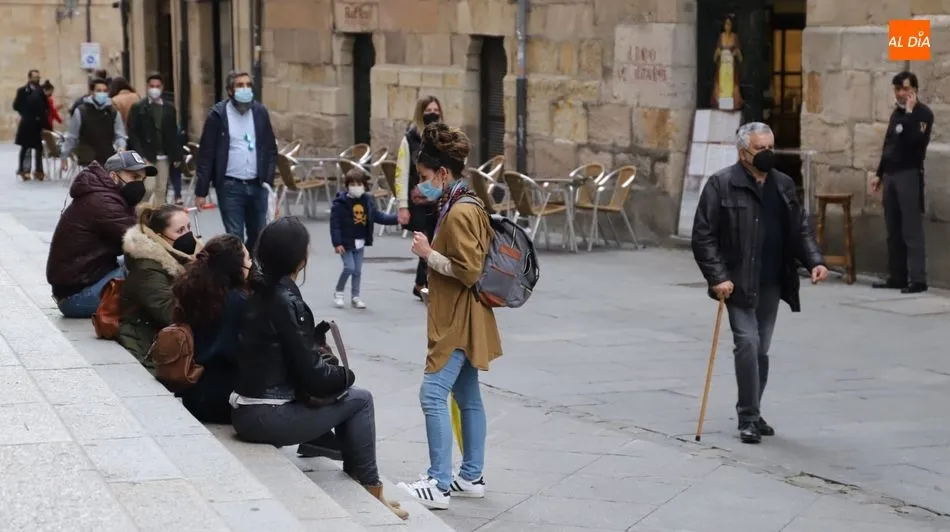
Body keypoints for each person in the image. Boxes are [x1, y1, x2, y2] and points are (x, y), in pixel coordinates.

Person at [230, 217, 407, 520]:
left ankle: (344, 463)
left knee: (347, 395)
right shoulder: (285, 300)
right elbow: (315, 377)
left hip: (244, 409)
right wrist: (346, 375)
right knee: (360, 399)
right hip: (266, 416)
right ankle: (370, 486)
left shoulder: (257, 290)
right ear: (299, 259)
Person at [691, 122, 828, 444]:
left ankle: (754, 409)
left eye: (770, 147)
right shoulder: (721, 184)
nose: (767, 153)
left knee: (761, 349)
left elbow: (800, 227)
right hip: (737, 282)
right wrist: (718, 277)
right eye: (760, 149)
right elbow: (703, 235)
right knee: (748, 343)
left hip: (772, 280)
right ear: (743, 152)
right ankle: (748, 417)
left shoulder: (783, 184)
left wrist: (815, 261)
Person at [396, 123, 501, 509]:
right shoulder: (468, 201)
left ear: (443, 173)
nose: (421, 185)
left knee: (432, 393)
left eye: (424, 177)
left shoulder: (459, 211)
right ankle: (471, 476)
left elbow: (468, 270)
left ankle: (438, 483)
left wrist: (428, 255)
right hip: (469, 313)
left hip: (457, 316)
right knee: (467, 394)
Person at [46, 151, 154, 318]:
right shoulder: (103, 202)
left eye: (142, 179)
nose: (139, 184)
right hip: (76, 296)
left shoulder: (107, 195)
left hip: (84, 281)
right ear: (114, 176)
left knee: (139, 263)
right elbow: (140, 243)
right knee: (149, 266)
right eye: (134, 177)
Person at [195, 70, 277, 251]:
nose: (245, 89)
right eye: (240, 85)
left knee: (258, 234)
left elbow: (270, 148)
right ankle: (239, 266)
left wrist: (268, 180)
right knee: (235, 236)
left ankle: (250, 265)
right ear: (230, 90)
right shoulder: (217, 115)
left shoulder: (260, 113)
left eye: (248, 85)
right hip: (230, 186)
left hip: (257, 184)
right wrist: (201, 191)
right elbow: (206, 155)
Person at [172, 234, 249, 423]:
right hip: (224, 398)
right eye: (248, 259)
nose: (252, 263)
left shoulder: (193, 291)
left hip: (192, 392)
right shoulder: (239, 301)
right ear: (236, 267)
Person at [870, 71, 934, 294]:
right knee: (893, 228)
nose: (901, 93)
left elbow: (913, 141)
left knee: (911, 229)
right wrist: (879, 173)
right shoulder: (896, 114)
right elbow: (889, 145)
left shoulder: (923, 114)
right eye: (898, 89)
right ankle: (897, 276)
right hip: (891, 175)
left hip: (909, 174)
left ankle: (918, 279)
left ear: (914, 90)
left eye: (905, 89)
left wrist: (909, 113)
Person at [118, 204, 200, 365]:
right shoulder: (147, 268)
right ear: (159, 237)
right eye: (180, 231)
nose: (188, 235)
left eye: (189, 227)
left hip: (170, 333)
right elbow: (169, 314)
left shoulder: (184, 256)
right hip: (148, 341)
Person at [394, 95, 444, 301]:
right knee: (425, 240)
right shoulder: (410, 139)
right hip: (419, 201)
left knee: (434, 241)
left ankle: (421, 283)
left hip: (440, 199)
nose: (433, 114)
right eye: (428, 110)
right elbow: (401, 173)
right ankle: (426, 284)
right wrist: (402, 205)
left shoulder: (445, 137)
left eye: (436, 110)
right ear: (420, 113)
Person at [331, 168, 399, 309]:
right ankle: (339, 292)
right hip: (346, 242)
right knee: (349, 268)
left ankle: (355, 297)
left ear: (364, 185)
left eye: (359, 184)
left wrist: (397, 219)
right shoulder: (340, 204)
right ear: (347, 185)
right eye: (352, 184)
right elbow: (335, 225)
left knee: (357, 271)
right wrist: (337, 243)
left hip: (360, 241)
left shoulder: (367, 201)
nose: (356, 187)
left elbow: (378, 216)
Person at [127, 73, 185, 205]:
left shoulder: (169, 108)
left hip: (164, 155)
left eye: (157, 86)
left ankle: (157, 215)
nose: (154, 89)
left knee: (161, 189)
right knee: (148, 188)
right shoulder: (138, 107)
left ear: (162, 87)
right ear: (147, 87)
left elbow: (173, 133)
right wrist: (140, 154)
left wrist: (176, 155)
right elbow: (133, 133)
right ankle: (142, 212)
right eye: (152, 86)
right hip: (146, 155)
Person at [61, 77, 128, 169]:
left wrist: (121, 147)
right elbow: (72, 136)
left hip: (108, 159)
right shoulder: (81, 111)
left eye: (105, 91)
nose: (102, 93)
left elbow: (119, 135)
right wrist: (64, 154)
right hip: (87, 160)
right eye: (99, 90)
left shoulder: (113, 112)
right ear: (92, 92)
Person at [13, 69, 48, 181]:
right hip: (27, 123)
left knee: (39, 148)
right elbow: (16, 105)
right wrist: (25, 113)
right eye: (35, 77)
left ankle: (39, 171)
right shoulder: (22, 91)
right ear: (29, 78)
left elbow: (46, 105)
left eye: (38, 77)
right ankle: (24, 170)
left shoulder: (41, 91)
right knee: (25, 147)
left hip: (37, 124)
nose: (37, 79)